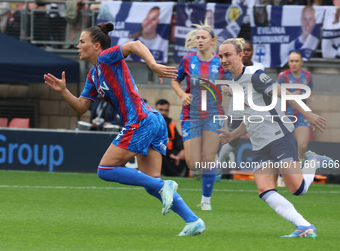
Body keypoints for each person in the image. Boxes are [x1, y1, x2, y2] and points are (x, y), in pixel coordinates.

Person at [44, 22, 205, 236]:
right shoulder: (94, 75)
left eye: (82, 42)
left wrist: (153, 65)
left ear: (97, 46)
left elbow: (135, 45)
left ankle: (165, 186)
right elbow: (81, 107)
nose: (78, 46)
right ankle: (193, 221)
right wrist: (64, 91)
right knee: (152, 183)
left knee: (105, 170)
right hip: (152, 120)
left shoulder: (106, 58)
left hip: (141, 121)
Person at [217, 37, 334, 238]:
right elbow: (250, 117)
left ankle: (313, 161)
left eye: (227, 55)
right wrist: (232, 135)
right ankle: (304, 226)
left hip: (279, 137)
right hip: (259, 144)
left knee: (297, 189)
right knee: (265, 190)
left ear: (240, 55)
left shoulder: (254, 75)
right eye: (220, 56)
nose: (223, 60)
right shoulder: (234, 85)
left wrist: (306, 113)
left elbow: (283, 93)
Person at [171, 21, 229, 211]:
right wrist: (182, 94)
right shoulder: (188, 60)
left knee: (208, 158)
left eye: (203, 37)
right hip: (191, 114)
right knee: (193, 163)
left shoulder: (220, 62)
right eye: (197, 38)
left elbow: (231, 82)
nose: (199, 40)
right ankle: (202, 169)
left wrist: (229, 89)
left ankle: (206, 201)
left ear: (212, 41)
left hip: (213, 114)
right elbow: (175, 81)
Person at [217, 40, 264, 178]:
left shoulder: (258, 68)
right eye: (246, 50)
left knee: (260, 140)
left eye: (249, 50)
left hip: (254, 109)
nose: (248, 53)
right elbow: (224, 87)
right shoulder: (229, 68)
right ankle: (219, 167)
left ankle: (265, 173)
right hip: (236, 110)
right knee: (233, 140)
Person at [277, 51, 313, 163]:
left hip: (301, 117)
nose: (294, 63)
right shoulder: (283, 76)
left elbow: (309, 94)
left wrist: (302, 95)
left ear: (301, 62)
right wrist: (292, 96)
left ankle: (298, 173)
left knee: (302, 146)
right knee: (285, 148)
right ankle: (282, 175)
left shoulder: (307, 76)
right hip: (285, 116)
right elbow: (276, 94)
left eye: (297, 61)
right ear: (288, 63)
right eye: (291, 61)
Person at [155, 99, 188, 177]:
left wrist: (182, 150)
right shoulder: (152, 122)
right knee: (160, 154)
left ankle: (183, 176)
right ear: (155, 109)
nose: (164, 112)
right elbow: (154, 143)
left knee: (187, 153)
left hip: (170, 151)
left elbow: (177, 138)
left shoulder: (170, 122)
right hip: (161, 151)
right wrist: (170, 154)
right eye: (161, 110)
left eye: (166, 110)